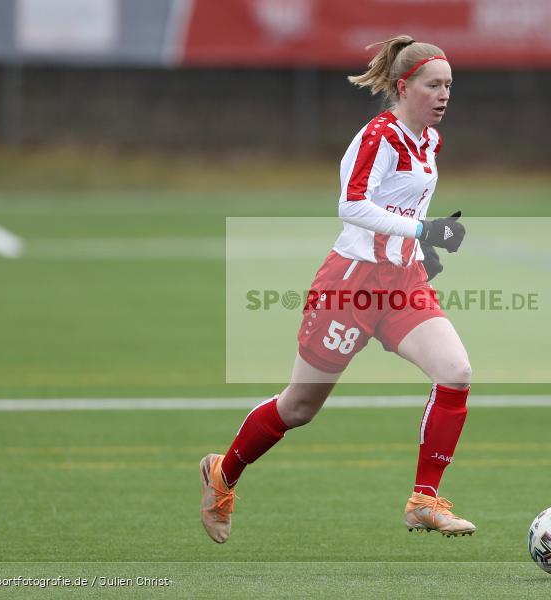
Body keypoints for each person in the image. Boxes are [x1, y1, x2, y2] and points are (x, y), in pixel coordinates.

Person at [200, 35, 476, 543]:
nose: (443, 96)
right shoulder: (379, 136)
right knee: (299, 408)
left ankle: (424, 499)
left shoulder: (430, 142)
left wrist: (423, 235)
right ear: (404, 86)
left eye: (449, 87)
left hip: (402, 284)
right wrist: (421, 230)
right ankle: (224, 473)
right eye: (434, 85)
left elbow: (401, 210)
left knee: (456, 371)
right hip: (351, 285)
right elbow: (351, 206)